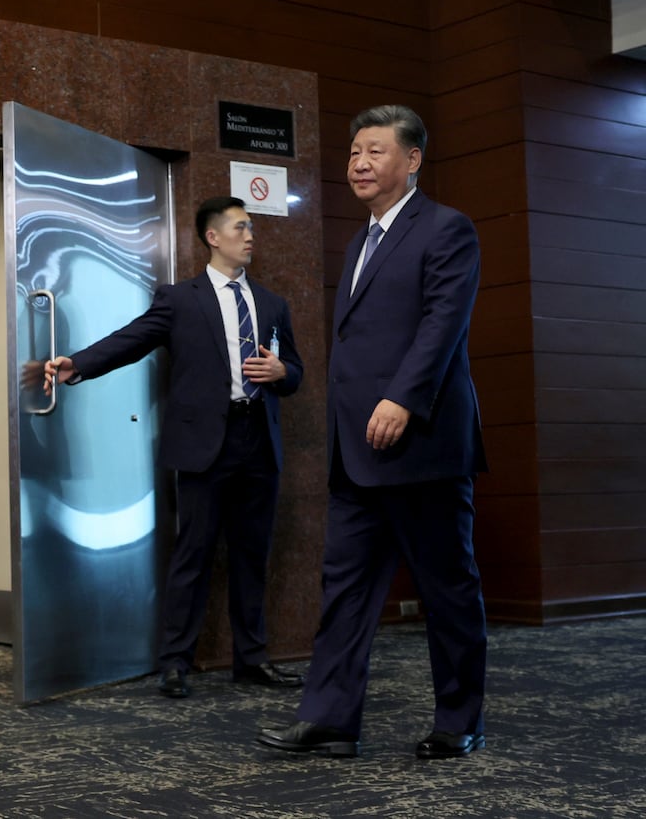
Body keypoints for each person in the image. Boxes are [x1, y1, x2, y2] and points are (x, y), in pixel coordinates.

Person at [257, 104, 488, 760]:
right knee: (345, 590)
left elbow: (442, 323)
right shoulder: (359, 241)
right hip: (355, 452)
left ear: (412, 159)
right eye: (354, 151)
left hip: (420, 445)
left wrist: (403, 400)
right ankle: (331, 718)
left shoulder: (447, 229)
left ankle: (460, 718)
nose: (358, 162)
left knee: (447, 588)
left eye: (375, 150)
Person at [44, 196, 304, 699]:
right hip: (206, 442)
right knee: (194, 552)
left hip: (259, 441)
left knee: (253, 555)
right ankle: (176, 662)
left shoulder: (272, 304)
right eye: (240, 227)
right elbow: (132, 338)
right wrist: (78, 363)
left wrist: (283, 372)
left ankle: (251, 659)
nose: (250, 236)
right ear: (213, 236)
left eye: (251, 227)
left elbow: (294, 371)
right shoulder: (181, 299)